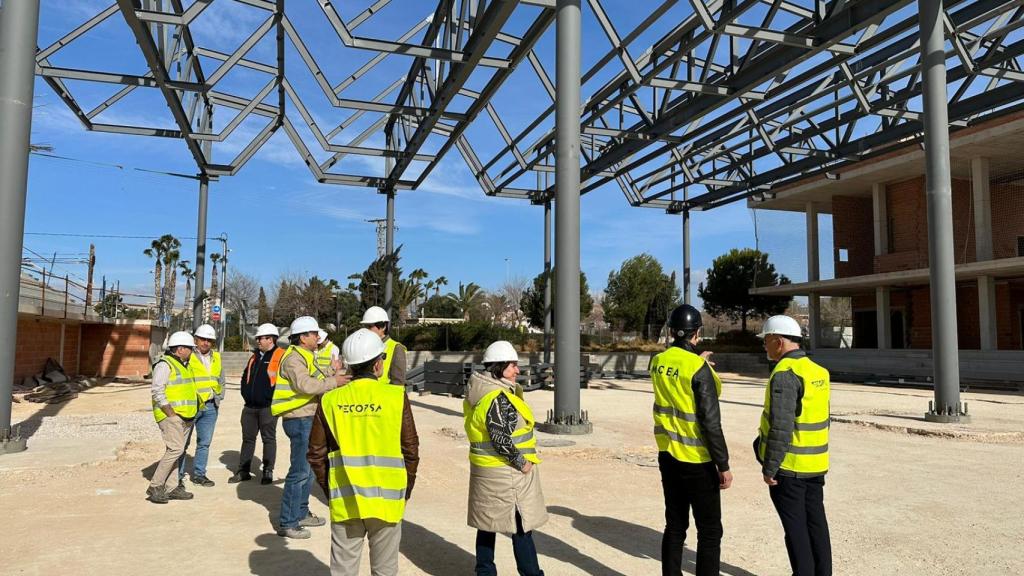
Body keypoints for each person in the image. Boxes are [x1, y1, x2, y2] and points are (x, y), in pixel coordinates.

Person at [308, 328, 420, 576]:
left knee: (343, 570)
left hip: (346, 500)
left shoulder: (330, 399)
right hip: (387, 500)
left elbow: (316, 454)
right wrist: (405, 489)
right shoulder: (395, 397)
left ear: (349, 365)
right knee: (385, 570)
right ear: (378, 364)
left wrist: (331, 490)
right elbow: (410, 450)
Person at [650, 304, 732, 576]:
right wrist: (723, 465)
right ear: (697, 332)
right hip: (697, 460)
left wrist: (699, 360)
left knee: (675, 526)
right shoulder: (698, 368)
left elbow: (676, 375)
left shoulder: (658, 362)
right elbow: (710, 422)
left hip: (668, 455)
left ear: (673, 331)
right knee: (709, 530)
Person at [754, 315, 832, 576]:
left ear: (778, 341)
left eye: (766, 341)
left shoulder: (786, 374)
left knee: (796, 530)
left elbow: (781, 426)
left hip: (789, 468)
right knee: (816, 525)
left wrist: (770, 467)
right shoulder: (818, 372)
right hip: (816, 465)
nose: (764, 346)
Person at [464, 340, 546, 576]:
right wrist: (523, 463)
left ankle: (485, 572)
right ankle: (531, 573)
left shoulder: (479, 391)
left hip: (485, 471)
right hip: (506, 475)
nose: (517, 371)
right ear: (499, 367)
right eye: (512, 366)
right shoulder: (497, 398)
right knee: (521, 526)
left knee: (486, 525)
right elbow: (501, 439)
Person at [272, 316, 348, 539]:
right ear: (303, 337)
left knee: (309, 471)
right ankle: (288, 522)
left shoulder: (306, 356)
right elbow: (305, 385)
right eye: (314, 333)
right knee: (300, 472)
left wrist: (332, 372)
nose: (318, 337)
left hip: (308, 418)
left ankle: (301, 512)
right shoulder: (293, 359)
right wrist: (335, 381)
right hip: (299, 419)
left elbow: (315, 375)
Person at [147, 331, 202, 504]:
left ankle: (171, 487)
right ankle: (156, 485)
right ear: (179, 349)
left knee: (176, 451)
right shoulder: (165, 364)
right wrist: (170, 413)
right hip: (171, 416)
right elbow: (157, 390)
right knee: (175, 450)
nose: (192, 351)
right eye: (189, 348)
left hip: (186, 416)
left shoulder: (185, 364)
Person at [231, 323, 284, 485]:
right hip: (250, 407)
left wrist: (272, 398)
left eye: (261, 338)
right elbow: (244, 377)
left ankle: (268, 471)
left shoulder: (280, 355)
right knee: (248, 439)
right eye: (258, 338)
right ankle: (243, 470)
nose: (258, 341)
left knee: (268, 439)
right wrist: (245, 393)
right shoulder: (255, 356)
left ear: (271, 339)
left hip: (268, 407)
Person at [178, 323, 223, 487]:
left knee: (204, 443)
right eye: (203, 339)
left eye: (209, 340)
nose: (206, 343)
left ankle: (199, 475)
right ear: (195, 339)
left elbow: (220, 379)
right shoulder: (188, 356)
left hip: (210, 406)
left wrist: (219, 396)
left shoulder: (216, 357)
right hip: (192, 406)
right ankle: (177, 478)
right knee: (182, 443)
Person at [360, 306, 406, 387]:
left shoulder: (397, 348)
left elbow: (398, 384)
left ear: (383, 326)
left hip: (381, 397)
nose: (366, 330)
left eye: (370, 326)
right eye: (365, 326)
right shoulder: (363, 345)